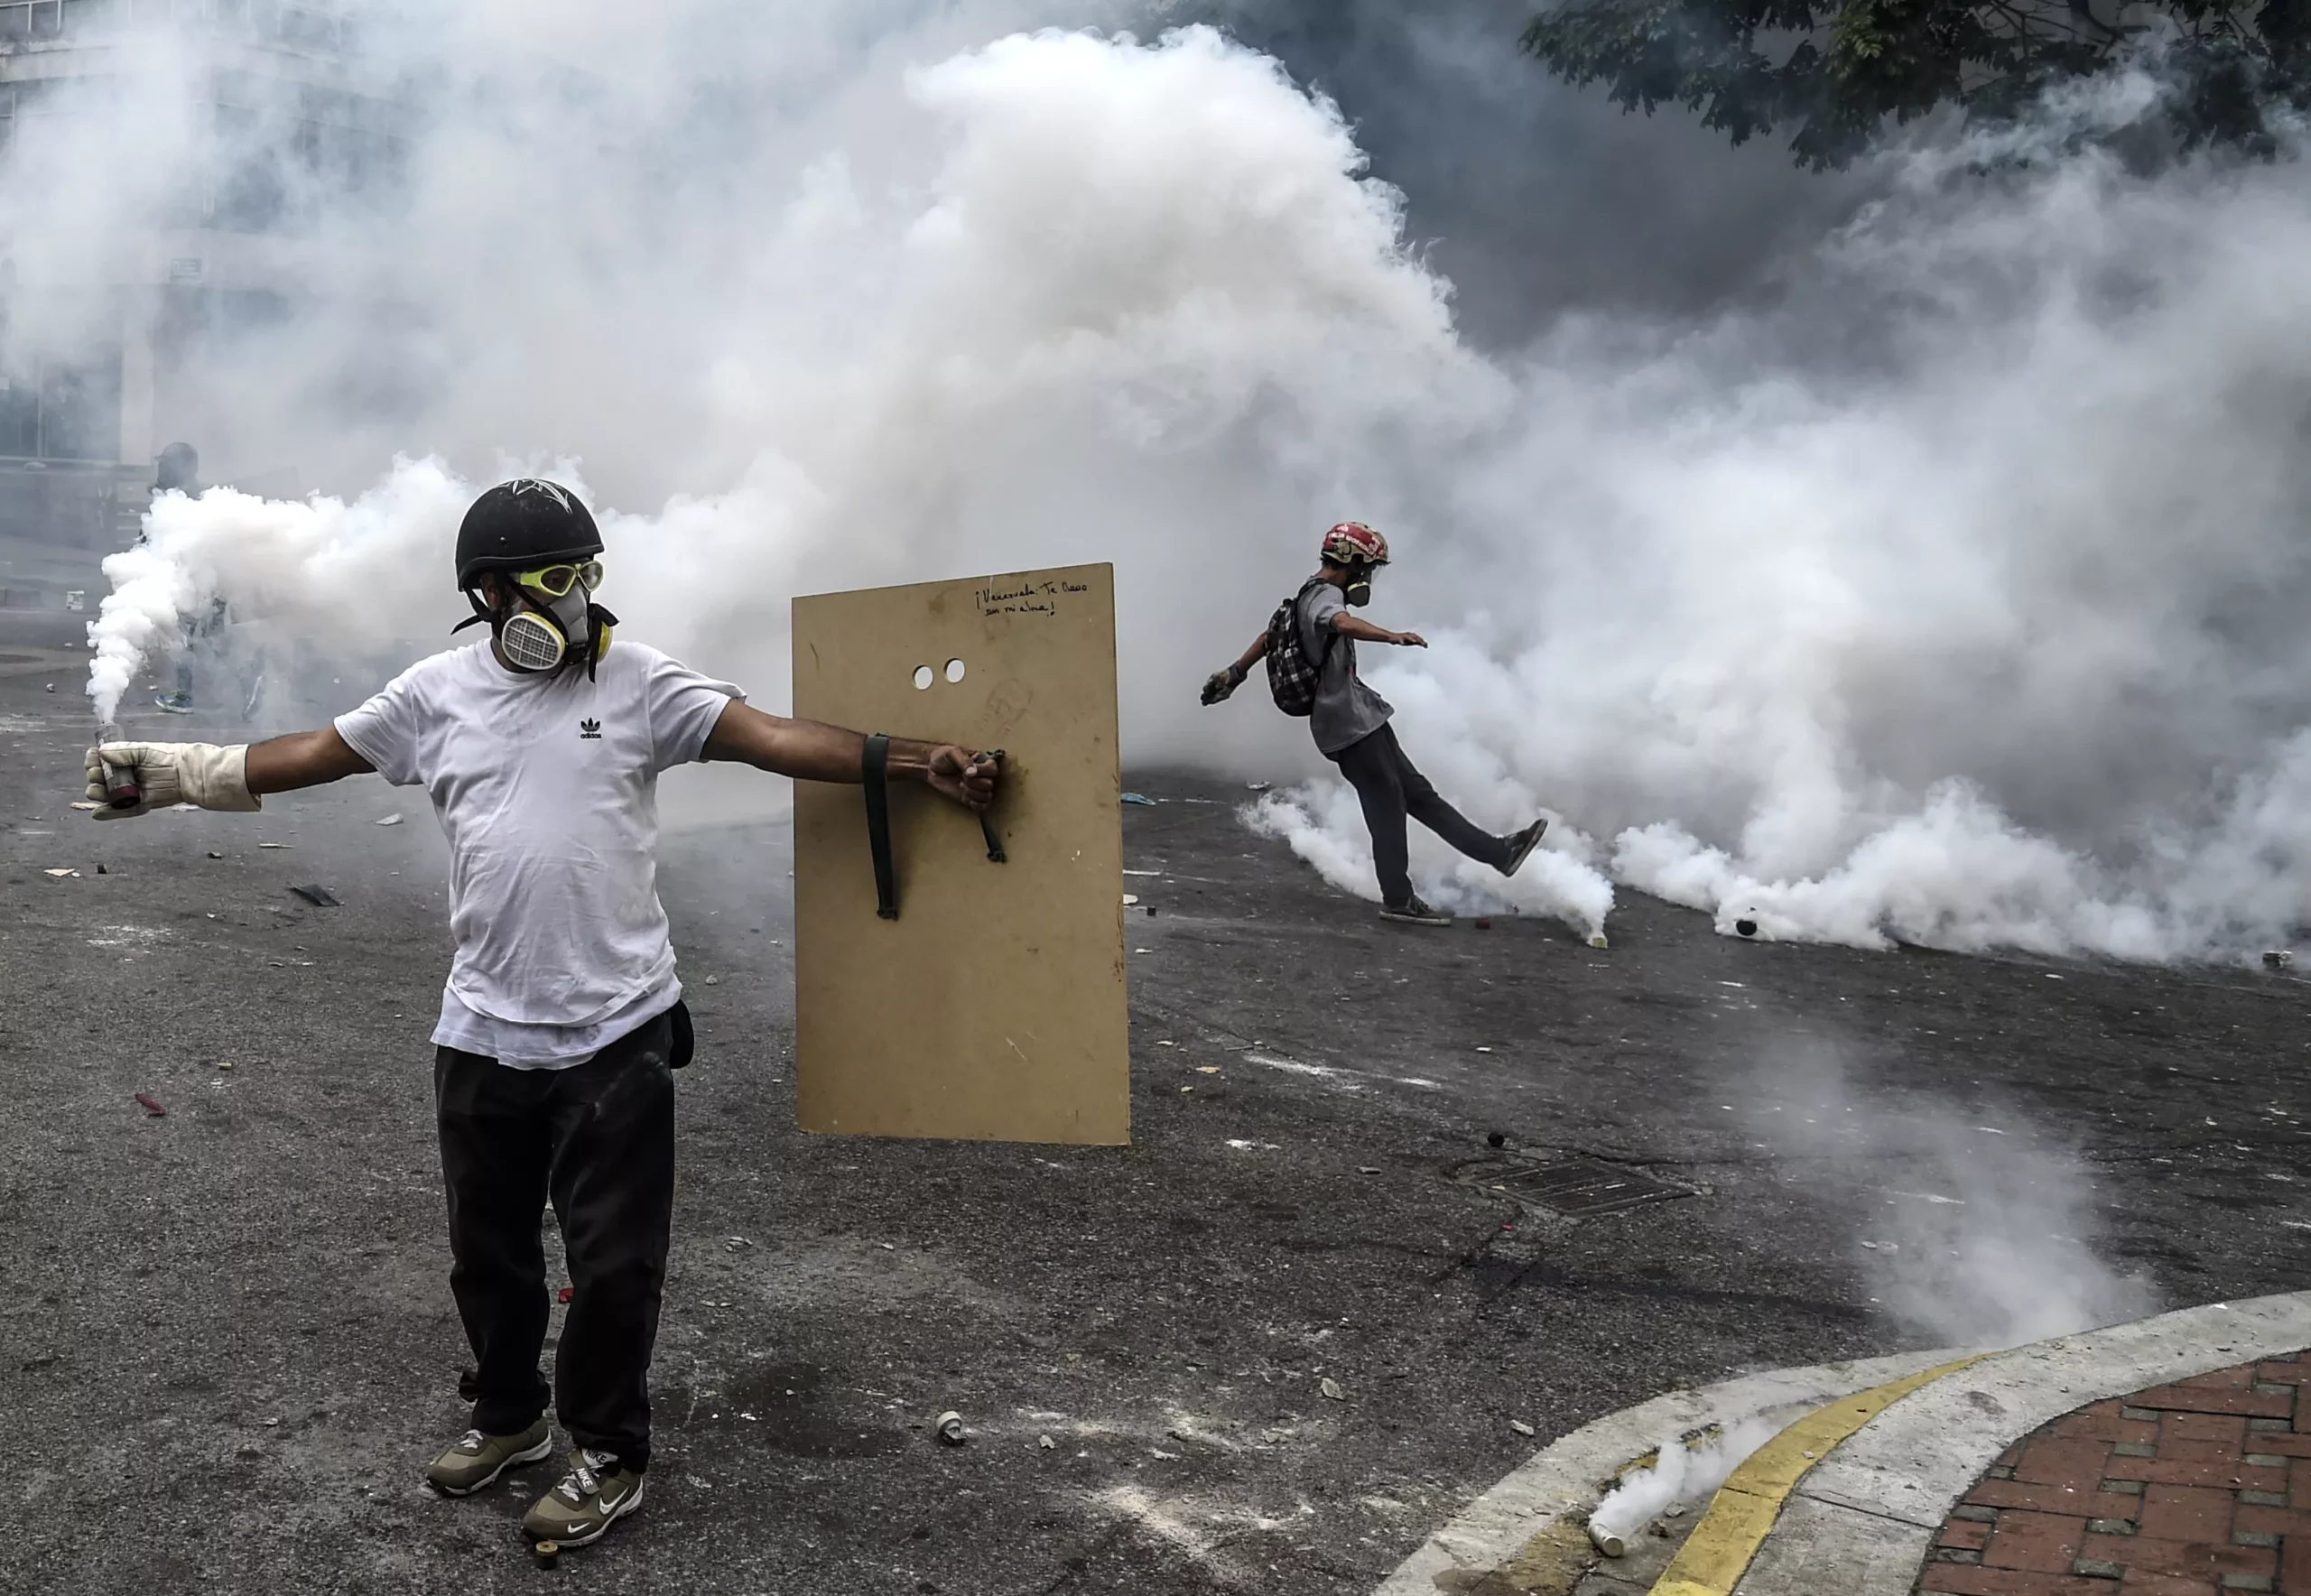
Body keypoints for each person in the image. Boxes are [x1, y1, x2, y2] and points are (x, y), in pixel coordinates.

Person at [85, 478, 1000, 1549]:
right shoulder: (433, 695)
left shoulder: (641, 681)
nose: (577, 604)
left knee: (613, 1263)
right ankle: (510, 1419)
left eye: (588, 577)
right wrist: (164, 773)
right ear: (489, 594)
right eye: (556, 581)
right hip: (482, 1029)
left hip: (617, 1026)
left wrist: (907, 757)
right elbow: (305, 756)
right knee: (490, 1251)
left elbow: (772, 738)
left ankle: (609, 1453)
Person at [1201, 520, 1545, 926]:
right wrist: (1390, 636)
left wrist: (1235, 673)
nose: (1369, 578)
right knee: (1387, 806)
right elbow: (1340, 622)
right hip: (1348, 727)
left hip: (1364, 718)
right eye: (1368, 568)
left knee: (1418, 796)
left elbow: (1269, 635)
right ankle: (1398, 898)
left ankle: (1498, 853)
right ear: (1353, 564)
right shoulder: (1325, 596)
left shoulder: (1303, 597)